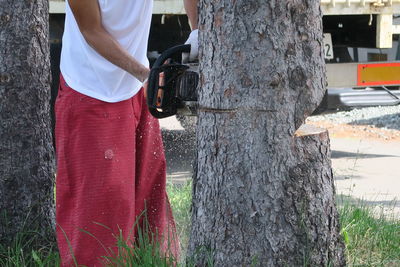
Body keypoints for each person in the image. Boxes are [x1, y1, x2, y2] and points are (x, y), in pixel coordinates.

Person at [55, 0, 198, 266]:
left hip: (132, 85)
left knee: (149, 191)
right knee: (100, 208)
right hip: (90, 89)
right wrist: (146, 75)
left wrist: (198, 30)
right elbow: (91, 30)